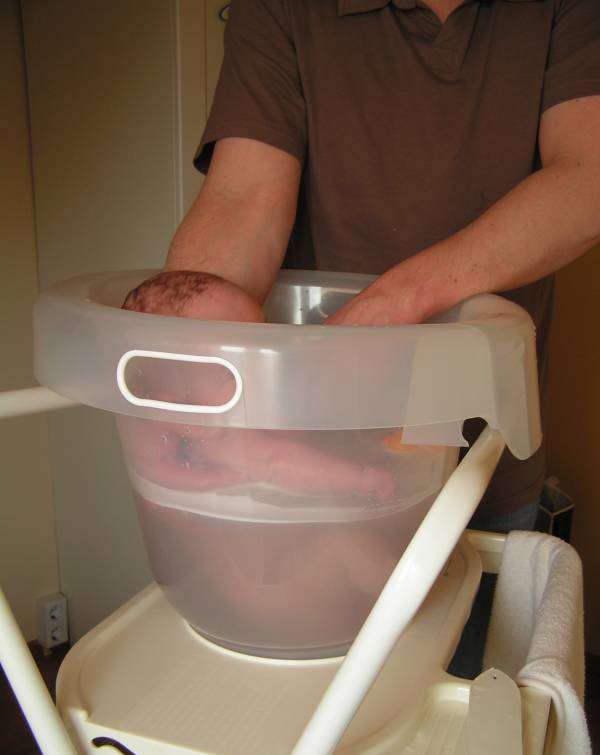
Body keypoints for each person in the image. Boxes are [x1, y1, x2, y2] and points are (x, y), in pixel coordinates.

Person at [132, 0, 600, 532]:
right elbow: (243, 200)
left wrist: (391, 305)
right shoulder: (283, 9)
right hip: (322, 437)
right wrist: (175, 370)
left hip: (484, 446)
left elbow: (588, 176)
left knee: (470, 573)